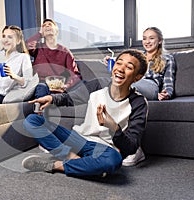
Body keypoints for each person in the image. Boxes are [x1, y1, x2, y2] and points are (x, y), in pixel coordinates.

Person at [21, 49, 148, 177]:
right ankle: (71, 158)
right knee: (32, 121)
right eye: (119, 63)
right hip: (79, 139)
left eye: (129, 67)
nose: (120, 69)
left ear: (138, 77)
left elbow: (131, 147)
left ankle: (56, 165)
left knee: (113, 160)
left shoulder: (139, 103)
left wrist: (113, 127)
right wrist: (52, 98)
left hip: (105, 148)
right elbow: (70, 98)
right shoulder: (98, 84)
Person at [105, 27, 176, 166]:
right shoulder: (137, 57)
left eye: (151, 38)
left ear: (160, 40)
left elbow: (169, 81)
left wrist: (167, 93)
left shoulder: (167, 58)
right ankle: (113, 142)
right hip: (132, 82)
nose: (147, 41)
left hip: (151, 86)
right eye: (144, 38)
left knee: (128, 87)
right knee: (111, 89)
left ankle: (134, 149)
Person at [26, 19, 82, 98]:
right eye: (44, 26)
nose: (47, 26)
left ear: (56, 31)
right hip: (39, 84)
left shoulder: (65, 52)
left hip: (56, 86)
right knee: (41, 87)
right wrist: (39, 34)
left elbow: (75, 75)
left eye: (50, 24)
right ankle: (39, 109)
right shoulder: (38, 48)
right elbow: (28, 45)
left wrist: (66, 85)